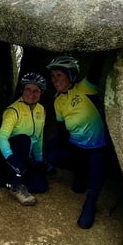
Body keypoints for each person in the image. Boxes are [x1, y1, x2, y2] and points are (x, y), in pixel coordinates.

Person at [44, 55, 109, 229]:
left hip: (98, 149)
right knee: (52, 154)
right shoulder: (58, 101)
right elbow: (62, 132)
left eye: (59, 75)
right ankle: (81, 172)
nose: (54, 79)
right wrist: (47, 154)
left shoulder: (85, 87)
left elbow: (98, 64)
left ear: (70, 75)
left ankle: (91, 201)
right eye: (53, 76)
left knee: (85, 219)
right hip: (77, 149)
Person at [0, 72, 49, 206]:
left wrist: (39, 160)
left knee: (41, 186)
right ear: (22, 91)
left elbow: (39, 137)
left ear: (41, 93)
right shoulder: (14, 110)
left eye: (36, 91)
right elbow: (2, 137)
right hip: (1, 152)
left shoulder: (41, 110)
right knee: (24, 139)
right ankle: (17, 186)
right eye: (28, 90)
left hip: (21, 153)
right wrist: (10, 157)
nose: (32, 94)